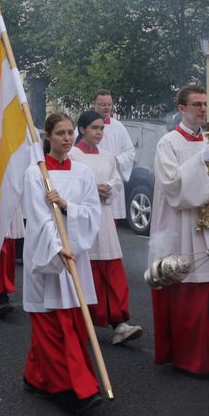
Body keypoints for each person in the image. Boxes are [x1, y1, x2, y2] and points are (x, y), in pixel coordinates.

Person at [149, 84, 209, 381]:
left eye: (205, 105)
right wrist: (197, 164)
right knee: (192, 294)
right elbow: (171, 186)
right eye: (197, 105)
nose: (203, 110)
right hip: (183, 226)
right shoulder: (168, 142)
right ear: (182, 109)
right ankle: (192, 359)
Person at [21, 112, 104, 415]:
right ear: (48, 137)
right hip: (48, 256)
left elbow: (93, 212)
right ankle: (69, 389)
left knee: (73, 322)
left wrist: (68, 206)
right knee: (51, 325)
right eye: (61, 133)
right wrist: (57, 249)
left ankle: (36, 376)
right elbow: (38, 218)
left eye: (70, 133)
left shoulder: (82, 172)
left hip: (75, 254)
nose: (68, 138)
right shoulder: (35, 173)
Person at [71, 109, 141, 344]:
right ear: (82, 130)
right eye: (95, 128)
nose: (100, 133)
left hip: (105, 218)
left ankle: (119, 323)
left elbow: (117, 180)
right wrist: (92, 190)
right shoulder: (72, 156)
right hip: (83, 221)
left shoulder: (108, 156)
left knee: (112, 270)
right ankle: (82, 322)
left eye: (102, 128)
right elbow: (68, 187)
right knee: (86, 272)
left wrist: (108, 188)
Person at [93, 89, 137, 231]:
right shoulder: (86, 125)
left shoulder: (119, 127)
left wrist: (117, 159)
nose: (106, 108)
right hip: (93, 178)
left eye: (109, 105)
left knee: (111, 225)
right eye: (102, 104)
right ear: (94, 104)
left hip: (113, 178)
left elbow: (130, 152)